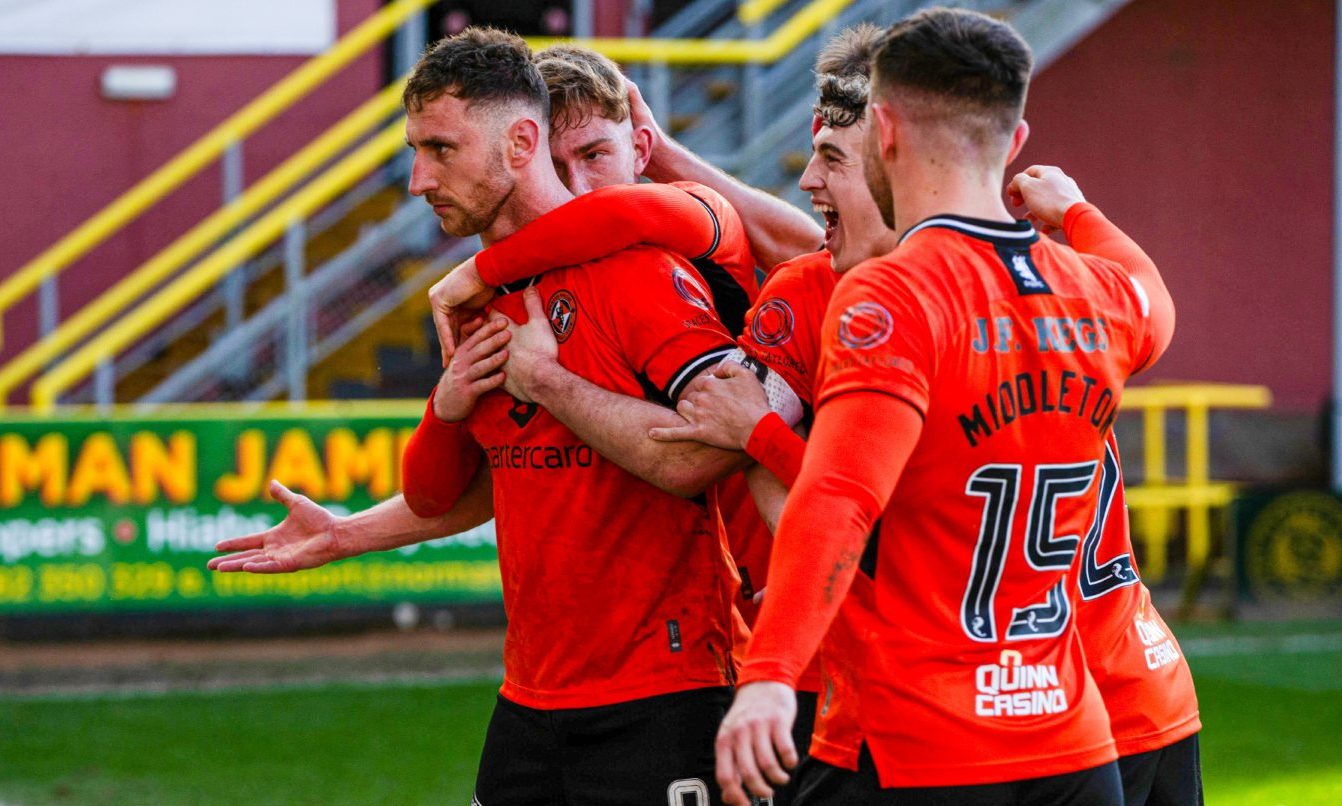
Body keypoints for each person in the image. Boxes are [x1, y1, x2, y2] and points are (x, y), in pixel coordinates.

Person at [714, 8, 1175, 804]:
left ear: (883, 129)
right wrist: (1076, 214)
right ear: (1017, 140)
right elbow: (1154, 300)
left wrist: (769, 674)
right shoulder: (1101, 292)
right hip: (1074, 743)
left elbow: (840, 498)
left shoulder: (892, 294)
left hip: (934, 747)